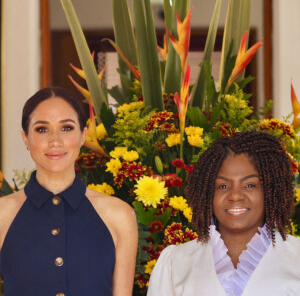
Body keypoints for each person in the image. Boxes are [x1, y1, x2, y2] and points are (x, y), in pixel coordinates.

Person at [0, 86, 138, 296]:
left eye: (66, 128)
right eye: (42, 129)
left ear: (83, 136)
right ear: (25, 138)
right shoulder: (2, 214)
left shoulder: (120, 215)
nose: (55, 141)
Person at [147, 131, 300, 296]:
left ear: (271, 190)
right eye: (223, 186)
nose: (235, 195)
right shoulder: (175, 263)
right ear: (207, 193)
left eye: (249, 185)